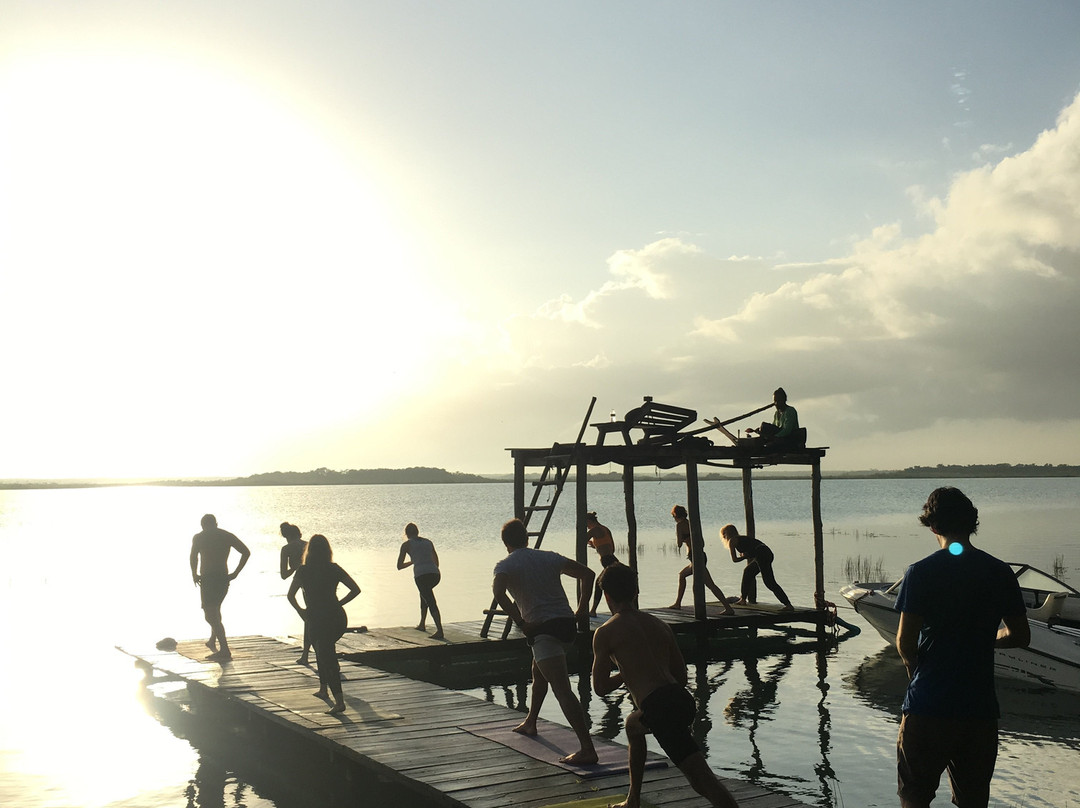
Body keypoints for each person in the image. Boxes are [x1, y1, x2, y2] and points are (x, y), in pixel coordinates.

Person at [894, 487, 1030, 808]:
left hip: (928, 708)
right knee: (973, 801)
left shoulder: (920, 572)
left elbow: (905, 642)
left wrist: (916, 673)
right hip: (979, 712)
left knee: (914, 798)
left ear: (933, 526)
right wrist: (984, 639)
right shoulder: (1000, 572)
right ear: (972, 523)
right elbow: (1019, 635)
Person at [593, 563, 739, 808]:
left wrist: (626, 672)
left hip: (661, 708)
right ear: (636, 591)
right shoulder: (660, 625)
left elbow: (600, 687)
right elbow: (681, 677)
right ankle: (633, 800)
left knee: (702, 781)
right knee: (633, 726)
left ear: (606, 596)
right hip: (681, 699)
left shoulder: (605, 632)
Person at [492, 518, 599, 765]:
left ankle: (587, 749)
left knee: (562, 690)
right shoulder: (549, 557)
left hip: (543, 630)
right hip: (567, 626)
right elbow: (588, 574)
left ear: (505, 543)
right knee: (538, 671)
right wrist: (582, 607)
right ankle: (531, 721)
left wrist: (521, 623)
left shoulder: (505, 565)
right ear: (527, 538)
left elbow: (498, 593)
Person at [287, 534, 361, 714]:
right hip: (337, 617)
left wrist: (301, 611)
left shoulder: (303, 570)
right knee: (322, 650)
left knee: (326, 655)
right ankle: (323, 688)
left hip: (316, 617)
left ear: (309, 551)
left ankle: (339, 702)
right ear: (328, 551)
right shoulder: (333, 568)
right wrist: (339, 604)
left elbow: (291, 595)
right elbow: (355, 590)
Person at [189, 514, 250, 662]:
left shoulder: (199, 537)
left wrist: (194, 574)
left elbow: (193, 557)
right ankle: (212, 640)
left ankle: (224, 649)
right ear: (216, 523)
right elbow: (246, 552)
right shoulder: (226, 535)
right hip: (223, 578)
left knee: (210, 615)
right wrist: (235, 573)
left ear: (202, 525)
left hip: (209, 579)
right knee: (215, 609)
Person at [667, 505, 734, 614]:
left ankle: (728, 608)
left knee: (710, 584)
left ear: (676, 515)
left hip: (695, 557)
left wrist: (682, 538)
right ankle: (677, 603)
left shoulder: (680, 525)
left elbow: (679, 544)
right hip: (699, 556)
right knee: (682, 575)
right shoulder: (692, 524)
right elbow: (702, 543)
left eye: (673, 516)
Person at [720, 525, 793, 611]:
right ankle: (743, 599)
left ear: (727, 534)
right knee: (748, 572)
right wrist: (746, 555)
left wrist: (744, 556)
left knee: (769, 582)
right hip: (765, 553)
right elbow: (753, 548)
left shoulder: (732, 541)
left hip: (762, 555)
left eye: (724, 534)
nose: (723, 537)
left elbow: (735, 559)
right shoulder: (742, 538)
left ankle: (788, 604)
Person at [396, 522, 444, 639]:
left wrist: (412, 562)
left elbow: (399, 566)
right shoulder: (428, 542)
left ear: (406, 534)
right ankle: (422, 623)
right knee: (424, 595)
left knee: (430, 600)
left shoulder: (406, 545)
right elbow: (436, 560)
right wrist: (433, 569)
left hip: (421, 575)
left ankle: (440, 630)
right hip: (435, 574)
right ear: (417, 532)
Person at [279, 522, 312, 664]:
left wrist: (294, 567)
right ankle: (306, 655)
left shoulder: (286, 549)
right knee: (312, 616)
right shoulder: (309, 545)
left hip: (302, 580)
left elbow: (284, 575)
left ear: (286, 536)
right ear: (299, 534)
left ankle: (305, 655)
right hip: (316, 578)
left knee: (308, 617)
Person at [586, 511, 620, 616]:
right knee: (604, 583)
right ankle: (597, 610)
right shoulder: (605, 529)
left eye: (586, 524)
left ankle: (593, 611)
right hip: (612, 559)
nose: (586, 527)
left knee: (600, 583)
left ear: (589, 521)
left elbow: (581, 539)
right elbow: (611, 548)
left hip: (607, 560)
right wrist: (595, 545)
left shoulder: (594, 530)